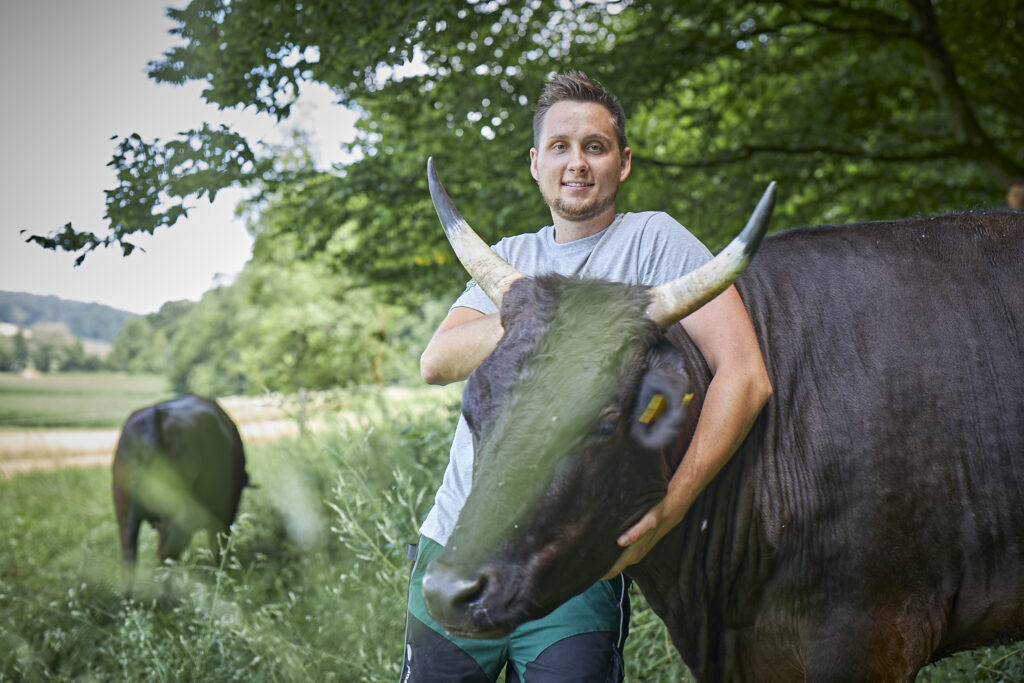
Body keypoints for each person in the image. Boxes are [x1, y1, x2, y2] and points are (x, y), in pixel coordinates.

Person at [402, 71, 772, 682]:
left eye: (595, 147)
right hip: (460, 534)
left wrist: (670, 510)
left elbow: (746, 376)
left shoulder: (656, 242)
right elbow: (435, 362)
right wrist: (549, 312)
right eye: (560, 147)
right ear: (535, 163)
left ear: (622, 163)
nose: (577, 163)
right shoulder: (512, 257)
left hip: (570, 551)